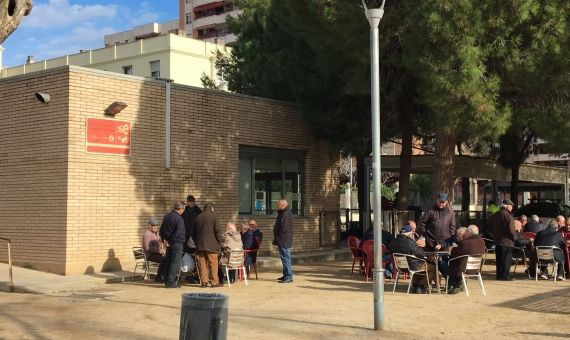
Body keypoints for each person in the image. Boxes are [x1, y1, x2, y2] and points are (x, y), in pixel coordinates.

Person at [389, 225, 436, 294]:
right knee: (433, 267)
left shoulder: (393, 242)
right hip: (413, 267)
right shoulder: (410, 242)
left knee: (417, 264)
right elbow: (421, 254)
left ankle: (415, 285)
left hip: (401, 267)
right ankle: (422, 286)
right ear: (410, 233)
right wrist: (418, 246)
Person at [447, 225, 486, 294]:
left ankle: (453, 285)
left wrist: (452, 249)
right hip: (476, 268)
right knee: (456, 261)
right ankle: (458, 284)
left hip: (465, 268)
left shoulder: (467, 242)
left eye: (467, 231)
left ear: (469, 232)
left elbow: (456, 253)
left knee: (451, 262)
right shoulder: (482, 241)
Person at [194, 202, 224, 287]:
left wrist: (197, 242)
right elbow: (218, 231)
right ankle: (214, 282)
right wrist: (219, 242)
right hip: (212, 245)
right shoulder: (214, 217)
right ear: (211, 208)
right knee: (213, 263)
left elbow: (193, 232)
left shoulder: (198, 217)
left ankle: (204, 282)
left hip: (200, 245)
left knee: (202, 264)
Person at [159, 202, 186, 288]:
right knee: (175, 263)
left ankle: (167, 280)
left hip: (169, 243)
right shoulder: (179, 219)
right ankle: (171, 282)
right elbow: (179, 232)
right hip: (177, 243)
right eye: (183, 209)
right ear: (181, 209)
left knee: (169, 261)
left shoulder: (166, 217)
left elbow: (161, 230)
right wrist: (172, 240)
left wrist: (165, 240)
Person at [491, 199, 516, 281]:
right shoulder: (508, 216)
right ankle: (504, 276)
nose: (512, 208)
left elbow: (490, 226)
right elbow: (511, 230)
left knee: (499, 260)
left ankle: (499, 275)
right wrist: (514, 238)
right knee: (506, 260)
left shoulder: (496, 214)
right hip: (507, 241)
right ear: (508, 206)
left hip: (497, 241)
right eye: (511, 206)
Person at [273, 199, 294, 283]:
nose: (277, 206)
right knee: (284, 258)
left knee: (286, 258)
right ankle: (286, 275)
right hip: (282, 239)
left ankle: (288, 276)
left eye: (278, 205)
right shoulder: (282, 213)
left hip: (284, 239)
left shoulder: (286, 214)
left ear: (283, 205)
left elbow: (284, 228)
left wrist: (279, 237)